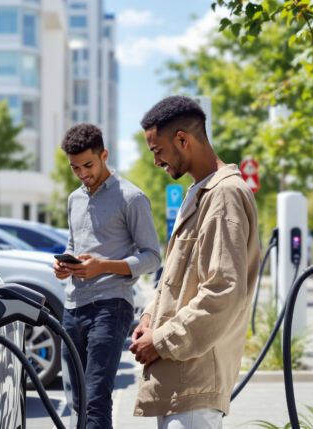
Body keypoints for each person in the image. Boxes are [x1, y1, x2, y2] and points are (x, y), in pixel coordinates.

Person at [128, 96, 260, 428]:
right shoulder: (200, 194)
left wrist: (159, 341)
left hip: (195, 382)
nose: (156, 161)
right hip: (182, 380)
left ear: (183, 140)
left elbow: (222, 292)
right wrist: (148, 317)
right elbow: (174, 278)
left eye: (157, 150)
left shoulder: (224, 195)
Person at [54, 123, 162, 429]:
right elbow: (73, 246)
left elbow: (152, 257)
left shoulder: (132, 198)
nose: (82, 173)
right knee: (77, 401)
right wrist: (64, 266)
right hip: (73, 308)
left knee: (96, 399)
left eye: (88, 165)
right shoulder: (75, 199)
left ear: (104, 155)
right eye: (75, 168)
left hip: (110, 307)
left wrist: (103, 266)